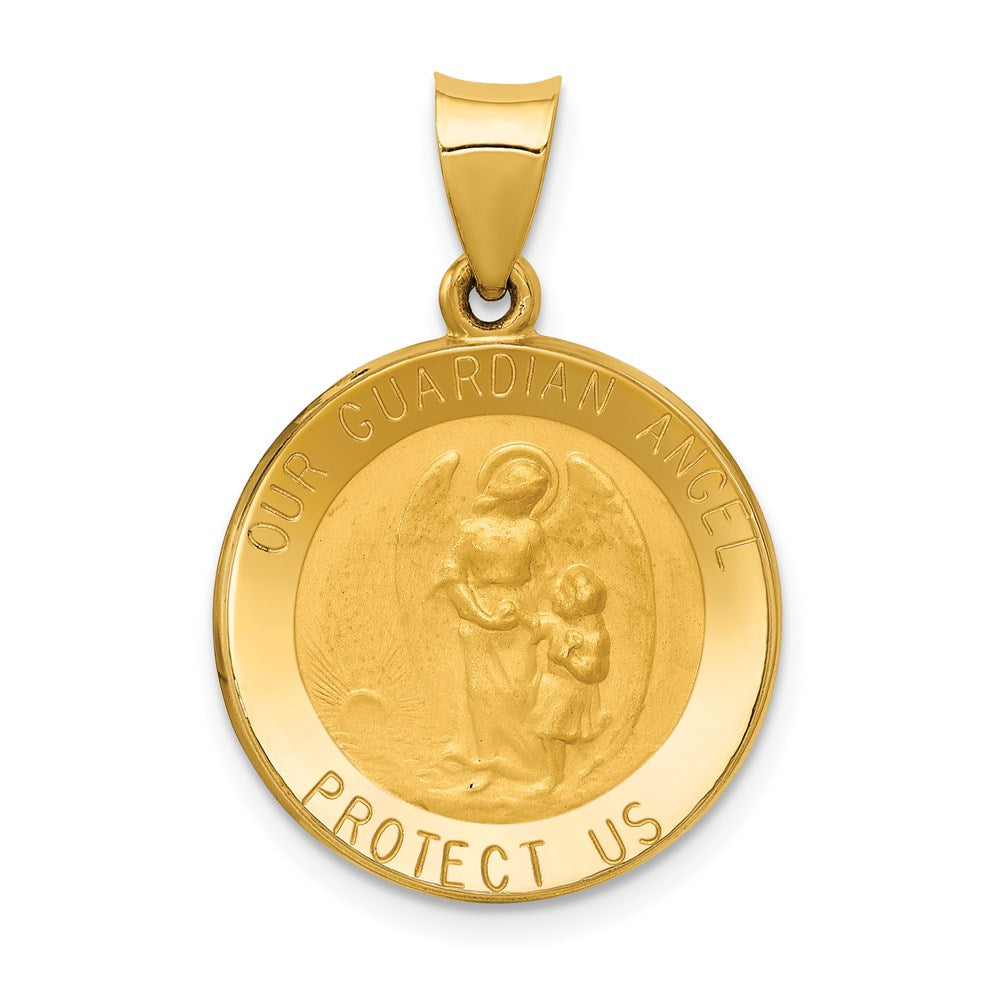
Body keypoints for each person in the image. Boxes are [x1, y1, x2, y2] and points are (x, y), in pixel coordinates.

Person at [436, 453, 553, 781]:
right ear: (513, 492)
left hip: (518, 614)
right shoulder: (471, 530)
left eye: (538, 496)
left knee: (520, 690)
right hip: (477, 613)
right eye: (531, 495)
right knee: (480, 690)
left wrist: (522, 607)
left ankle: (528, 764)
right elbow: (451, 576)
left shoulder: (531, 530)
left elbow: (545, 573)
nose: (533, 502)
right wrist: (478, 615)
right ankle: (486, 759)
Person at [525, 564, 611, 789]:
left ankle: (556, 776)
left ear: (579, 606)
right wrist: (521, 617)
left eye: (563, 593)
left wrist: (567, 660)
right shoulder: (562, 623)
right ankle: (562, 771)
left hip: (572, 692)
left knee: (555, 733)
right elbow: (541, 623)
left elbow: (596, 672)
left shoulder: (594, 637)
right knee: (552, 734)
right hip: (555, 689)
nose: (555, 594)